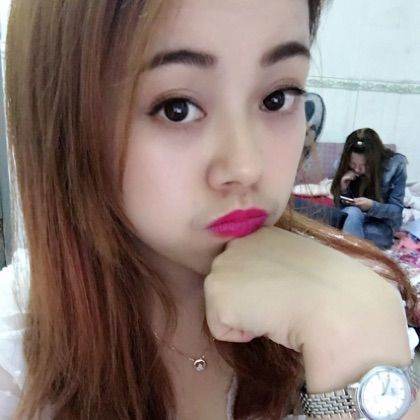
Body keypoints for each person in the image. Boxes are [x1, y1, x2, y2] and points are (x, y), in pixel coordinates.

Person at [0, 1, 419, 419]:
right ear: (67, 125)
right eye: (177, 108)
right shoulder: (14, 355)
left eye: (276, 98)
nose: (246, 167)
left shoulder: (356, 302)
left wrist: (360, 356)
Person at [331, 128, 408, 250]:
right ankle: (353, 251)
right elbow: (343, 211)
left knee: (354, 229)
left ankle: (348, 247)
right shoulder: (344, 166)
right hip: (353, 218)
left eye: (364, 165)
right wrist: (343, 189)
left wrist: (372, 206)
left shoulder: (395, 165)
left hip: (380, 225)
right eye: (353, 164)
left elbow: (396, 210)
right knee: (351, 213)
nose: (357, 169)